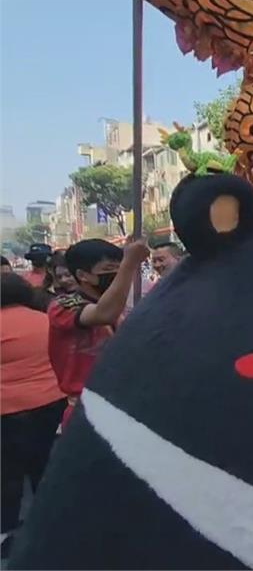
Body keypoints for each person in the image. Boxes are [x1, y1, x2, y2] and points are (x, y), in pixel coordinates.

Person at [48, 238, 149, 429]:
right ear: (83, 275)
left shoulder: (121, 309)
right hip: (85, 411)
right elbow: (104, 313)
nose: (117, 274)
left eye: (119, 267)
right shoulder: (62, 307)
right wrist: (129, 264)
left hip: (123, 404)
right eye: (109, 269)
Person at [1, 273, 66, 558]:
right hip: (52, 402)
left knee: (8, 474)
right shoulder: (44, 319)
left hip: (8, 411)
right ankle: (53, 526)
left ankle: (5, 533)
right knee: (45, 466)